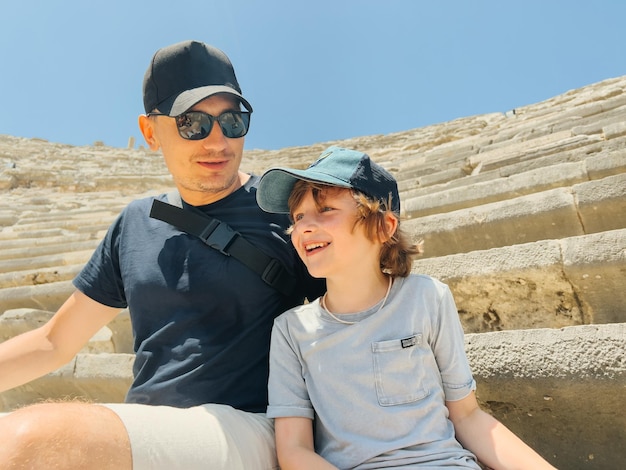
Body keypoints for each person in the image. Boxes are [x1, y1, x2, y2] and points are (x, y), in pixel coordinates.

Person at [0, 40, 324, 469]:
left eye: (232, 121)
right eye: (192, 123)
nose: (217, 141)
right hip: (146, 429)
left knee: (35, 441)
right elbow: (54, 341)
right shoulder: (136, 222)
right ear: (151, 131)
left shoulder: (286, 211)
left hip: (250, 429)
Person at [255, 146, 557, 469]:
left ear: (384, 227)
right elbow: (295, 451)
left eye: (325, 209)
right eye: (298, 217)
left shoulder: (428, 298)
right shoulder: (291, 331)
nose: (304, 227)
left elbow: (468, 416)